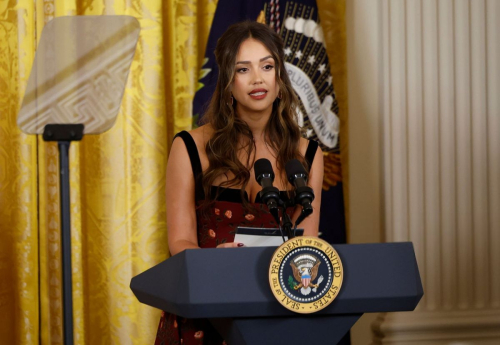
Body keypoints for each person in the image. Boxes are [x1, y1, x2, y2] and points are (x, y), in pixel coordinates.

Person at [155, 20, 324, 345]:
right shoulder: (190, 147)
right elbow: (179, 241)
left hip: (275, 311)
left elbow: (307, 244)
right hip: (204, 307)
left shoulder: (309, 154)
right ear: (228, 81)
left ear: (280, 77)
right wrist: (214, 262)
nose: (258, 78)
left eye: (267, 66)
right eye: (243, 69)